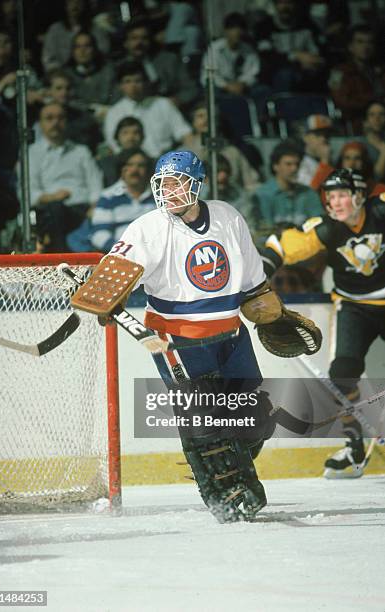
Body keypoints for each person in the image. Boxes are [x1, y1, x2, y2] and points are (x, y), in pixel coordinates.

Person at [100, 150, 306, 521]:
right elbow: (112, 272)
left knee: (255, 420)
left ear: (197, 185)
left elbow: (253, 284)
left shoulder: (227, 216)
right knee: (205, 422)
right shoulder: (148, 227)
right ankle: (225, 493)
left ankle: (229, 461)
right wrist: (101, 290)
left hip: (231, 336)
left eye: (178, 182)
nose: (169, 190)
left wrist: (268, 312)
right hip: (178, 341)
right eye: (163, 183)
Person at [261, 169, 385, 477]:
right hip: (354, 306)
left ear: (359, 195)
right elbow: (282, 244)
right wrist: (258, 279)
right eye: (330, 197)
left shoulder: (380, 209)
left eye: (342, 194)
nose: (336, 202)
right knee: (342, 374)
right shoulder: (326, 229)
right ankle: (354, 447)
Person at [28, 102, 103, 252]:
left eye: (60, 118)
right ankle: (61, 259)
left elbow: (95, 184)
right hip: (50, 210)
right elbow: (29, 193)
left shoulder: (81, 151)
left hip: (82, 210)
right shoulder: (32, 153)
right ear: (40, 124)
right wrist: (52, 197)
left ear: (66, 122)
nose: (55, 122)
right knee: (55, 209)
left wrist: (94, 206)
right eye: (49, 118)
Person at [67, 147, 155, 252]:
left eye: (140, 165)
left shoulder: (159, 197)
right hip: (119, 256)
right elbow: (99, 235)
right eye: (129, 165)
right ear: (121, 169)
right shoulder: (108, 197)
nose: (135, 170)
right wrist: (124, 251)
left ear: (148, 170)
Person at [103, 62, 193, 158]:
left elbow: (185, 134)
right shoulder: (114, 113)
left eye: (137, 81)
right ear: (120, 86)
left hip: (166, 163)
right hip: (132, 165)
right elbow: (114, 146)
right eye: (127, 81)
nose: (133, 86)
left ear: (145, 83)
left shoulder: (163, 104)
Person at [251, 141, 323, 245]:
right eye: (288, 164)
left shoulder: (309, 193)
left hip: (305, 247)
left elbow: (319, 225)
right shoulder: (262, 195)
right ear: (275, 166)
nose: (294, 169)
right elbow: (263, 232)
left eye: (297, 164)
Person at [328, 25, 385, 133]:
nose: (366, 46)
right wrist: (372, 100)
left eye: (370, 42)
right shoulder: (338, 72)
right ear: (350, 46)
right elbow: (340, 102)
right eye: (360, 42)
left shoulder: (380, 71)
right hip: (356, 124)